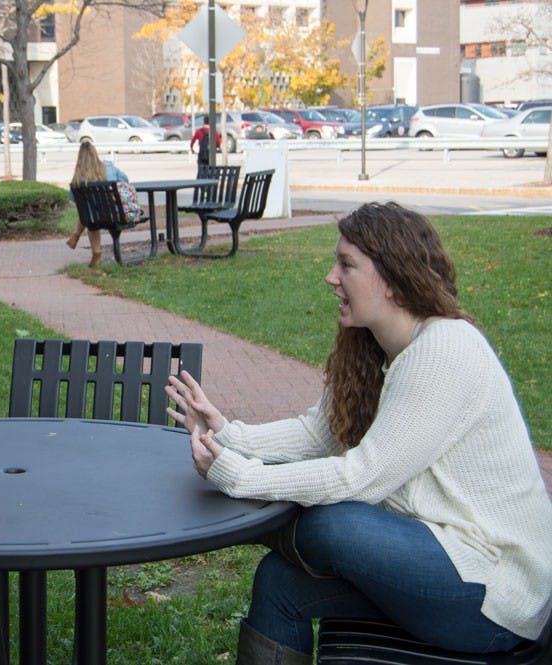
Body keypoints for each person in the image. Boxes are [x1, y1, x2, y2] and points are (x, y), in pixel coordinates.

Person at [165, 202, 552, 664]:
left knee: (334, 522)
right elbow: (320, 434)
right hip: (428, 558)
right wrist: (229, 436)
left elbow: (362, 478)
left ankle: (263, 522)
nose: (331, 277)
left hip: (492, 591)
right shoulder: (376, 347)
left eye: (347, 264)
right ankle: (266, 525)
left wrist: (241, 478)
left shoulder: (445, 350)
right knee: (279, 581)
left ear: (392, 277)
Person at [66, 140, 132, 267]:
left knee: (88, 212)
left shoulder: (78, 179)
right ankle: (77, 236)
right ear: (95, 154)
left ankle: (95, 253)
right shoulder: (109, 168)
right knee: (90, 212)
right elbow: (125, 181)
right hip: (115, 216)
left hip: (92, 220)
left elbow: (74, 199)